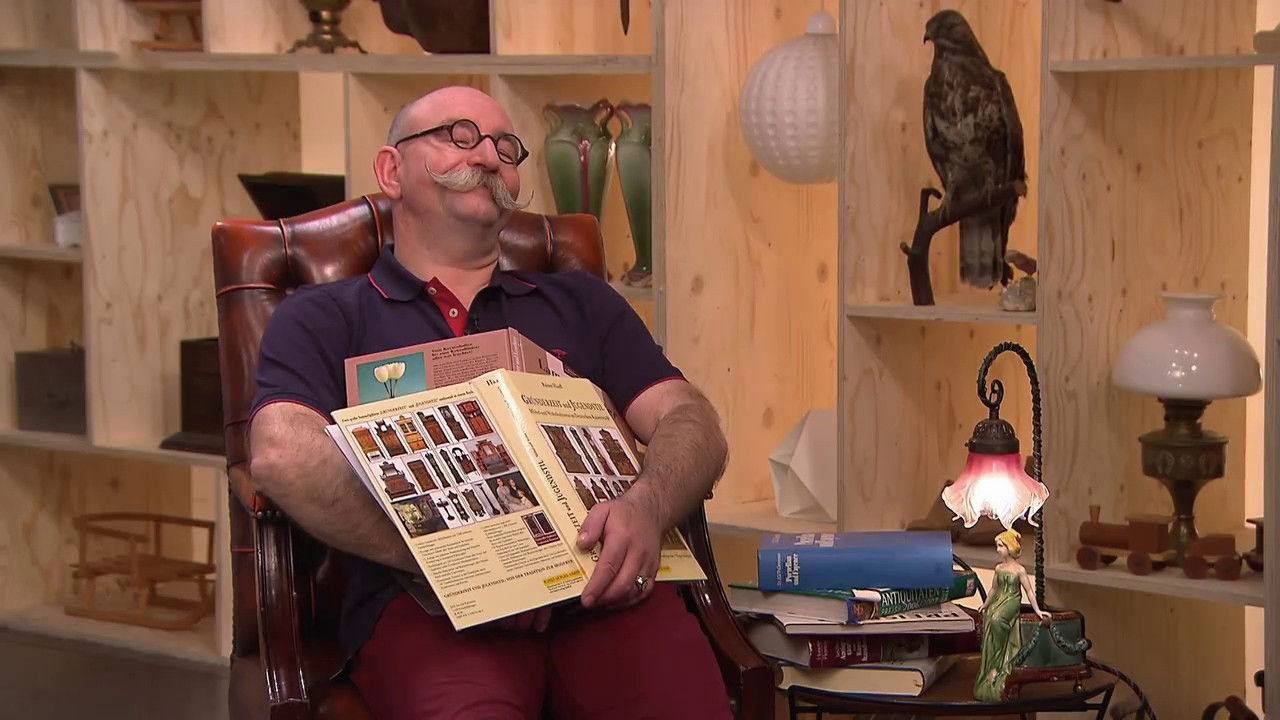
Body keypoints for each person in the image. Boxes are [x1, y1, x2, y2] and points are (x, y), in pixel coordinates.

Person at [248, 85, 732, 720]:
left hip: (604, 590)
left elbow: (691, 421)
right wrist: (458, 563)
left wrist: (647, 507)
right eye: (459, 136)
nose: (487, 156)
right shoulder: (325, 316)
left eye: (506, 147)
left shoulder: (582, 302)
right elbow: (281, 452)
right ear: (392, 170)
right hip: (428, 611)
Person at [975, 529, 1051, 701]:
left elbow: (1029, 591)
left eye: (1001, 546)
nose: (998, 549)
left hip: (1012, 600)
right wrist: (985, 604)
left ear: (1009, 547)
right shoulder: (999, 568)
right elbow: (994, 588)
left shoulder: (1019, 570)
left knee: (996, 619)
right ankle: (992, 664)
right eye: (997, 546)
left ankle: (1001, 658)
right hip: (999, 599)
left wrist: (1037, 610)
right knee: (989, 616)